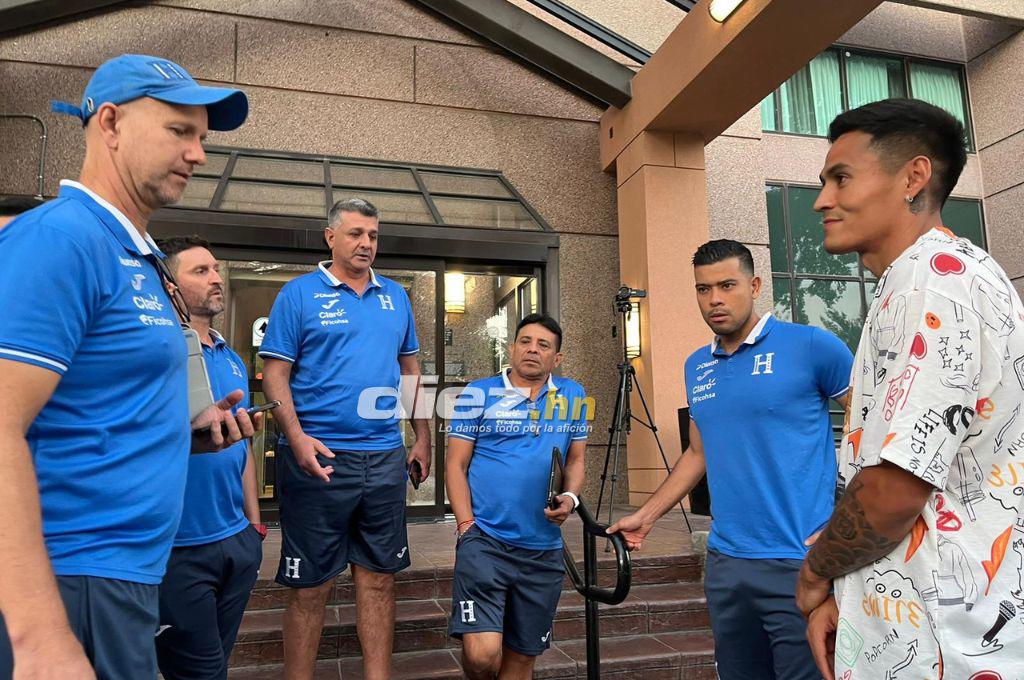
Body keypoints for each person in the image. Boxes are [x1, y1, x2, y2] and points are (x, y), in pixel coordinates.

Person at [0, 54, 256, 680]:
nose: (198, 153)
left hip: (128, 576)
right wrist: (39, 637)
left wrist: (175, 435)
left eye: (202, 136)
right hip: (73, 579)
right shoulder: (60, 240)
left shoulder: (137, 257)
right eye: (178, 130)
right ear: (109, 123)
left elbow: (91, 410)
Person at [797, 98, 1024, 680]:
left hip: (943, 641)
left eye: (840, 177)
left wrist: (815, 575)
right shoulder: (929, 277)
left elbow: (894, 491)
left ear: (914, 177)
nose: (822, 199)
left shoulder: (934, 283)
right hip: (922, 623)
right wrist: (845, 598)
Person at [607, 239, 854, 680]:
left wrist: (850, 517)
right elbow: (698, 452)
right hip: (727, 563)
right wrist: (647, 516)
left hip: (799, 561)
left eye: (727, 285)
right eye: (703, 289)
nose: (715, 299)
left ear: (755, 285)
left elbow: (872, 421)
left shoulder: (812, 346)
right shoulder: (696, 365)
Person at [259, 197, 431, 680]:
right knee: (310, 588)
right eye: (356, 233)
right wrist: (295, 439)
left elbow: (410, 372)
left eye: (373, 236)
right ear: (330, 237)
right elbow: (275, 376)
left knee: (378, 582)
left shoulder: (396, 296)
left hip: (383, 459)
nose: (366, 244)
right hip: (321, 460)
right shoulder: (297, 295)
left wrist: (422, 438)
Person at [446, 313, 590, 680]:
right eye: (525, 341)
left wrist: (571, 498)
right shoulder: (478, 392)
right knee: (482, 656)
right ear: (511, 348)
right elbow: (456, 465)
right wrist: (466, 526)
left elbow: (576, 459)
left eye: (543, 345)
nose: (532, 349)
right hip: (486, 541)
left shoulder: (573, 394)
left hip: (542, 549)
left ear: (556, 358)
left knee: (522, 659)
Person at [154, 236, 266, 679]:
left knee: (215, 665)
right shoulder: (155, 353)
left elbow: (243, 446)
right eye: (200, 271)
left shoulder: (233, 359)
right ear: (169, 286)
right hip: (178, 549)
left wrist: (253, 526)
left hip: (236, 542)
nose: (216, 278)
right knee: (199, 673)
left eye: (216, 268)